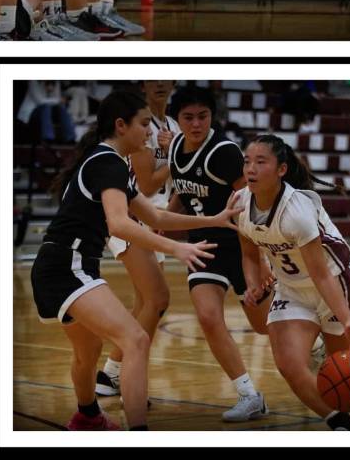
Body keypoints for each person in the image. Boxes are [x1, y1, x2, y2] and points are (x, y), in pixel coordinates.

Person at [31, 89, 241, 431]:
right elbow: (119, 223)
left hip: (62, 265)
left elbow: (156, 217)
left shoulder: (112, 164)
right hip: (66, 265)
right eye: (144, 124)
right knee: (136, 339)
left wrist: (212, 219)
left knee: (88, 351)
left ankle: (87, 416)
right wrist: (176, 249)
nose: (149, 131)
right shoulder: (107, 161)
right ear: (121, 125)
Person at [236, 135, 350, 430]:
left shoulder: (296, 213)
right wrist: (253, 283)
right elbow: (249, 253)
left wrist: (348, 321)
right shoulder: (239, 203)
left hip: (337, 282)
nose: (251, 168)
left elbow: (321, 275)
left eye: (261, 162)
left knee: (341, 371)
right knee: (289, 365)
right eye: (248, 161)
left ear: (281, 170)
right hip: (292, 288)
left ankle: (343, 345)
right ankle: (341, 425)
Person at [165, 86, 275, 421]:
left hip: (240, 246)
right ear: (177, 119)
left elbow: (251, 202)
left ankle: (314, 347)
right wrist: (163, 227)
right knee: (209, 317)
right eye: (188, 117)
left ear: (212, 117)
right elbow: (183, 190)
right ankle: (248, 395)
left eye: (203, 116)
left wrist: (263, 258)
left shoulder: (224, 153)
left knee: (264, 326)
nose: (196, 123)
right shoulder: (174, 148)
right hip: (204, 246)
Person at [96, 80, 179, 397]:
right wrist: (174, 158)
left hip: (150, 220)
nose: (160, 83)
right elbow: (145, 186)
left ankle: (111, 374)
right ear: (143, 84)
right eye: (152, 77)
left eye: (165, 77)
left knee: (146, 302)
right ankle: (126, 374)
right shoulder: (142, 125)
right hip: (129, 218)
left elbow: (171, 184)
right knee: (157, 300)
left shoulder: (172, 124)